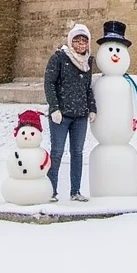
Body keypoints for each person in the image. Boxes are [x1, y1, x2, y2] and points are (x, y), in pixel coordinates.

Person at [43, 22, 96, 202]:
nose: (81, 44)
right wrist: (54, 107)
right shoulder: (59, 58)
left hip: (80, 115)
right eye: (77, 41)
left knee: (77, 152)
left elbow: (87, 87)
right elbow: (49, 83)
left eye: (84, 41)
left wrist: (92, 108)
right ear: (71, 41)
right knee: (57, 152)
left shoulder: (88, 61)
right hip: (62, 114)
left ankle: (75, 191)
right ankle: (50, 190)